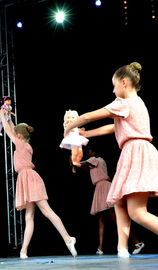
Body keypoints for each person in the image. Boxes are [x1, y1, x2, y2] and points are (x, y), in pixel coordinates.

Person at [64, 62, 158, 258]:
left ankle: (123, 248)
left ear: (124, 83)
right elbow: (112, 128)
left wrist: (70, 126)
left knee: (137, 211)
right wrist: (85, 133)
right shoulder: (137, 104)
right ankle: (122, 249)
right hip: (136, 152)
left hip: (135, 152)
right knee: (119, 201)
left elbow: (90, 116)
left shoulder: (123, 102)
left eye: (114, 85)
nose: (113, 90)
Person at [0, 109, 77, 259]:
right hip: (25, 179)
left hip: (30, 179)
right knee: (29, 217)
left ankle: (68, 239)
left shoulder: (21, 145)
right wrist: (8, 116)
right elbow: (13, 128)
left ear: (19, 136)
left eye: (16, 133)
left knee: (47, 212)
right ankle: (23, 251)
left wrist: (1, 115)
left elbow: (9, 130)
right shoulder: (24, 144)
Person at [80, 145, 144, 255]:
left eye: (89, 151)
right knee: (102, 219)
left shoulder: (96, 159)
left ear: (94, 152)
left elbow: (82, 164)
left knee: (114, 217)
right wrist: (74, 163)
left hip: (104, 187)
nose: (88, 153)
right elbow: (84, 168)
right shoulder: (93, 163)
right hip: (100, 188)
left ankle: (137, 242)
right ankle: (100, 248)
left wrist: (75, 160)